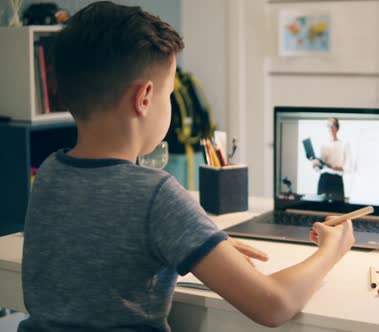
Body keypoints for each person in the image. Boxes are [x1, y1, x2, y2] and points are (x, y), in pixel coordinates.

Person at [19, 2, 355, 331]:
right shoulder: (155, 194)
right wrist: (332, 249)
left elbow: (100, 251)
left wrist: (190, 243)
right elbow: (274, 305)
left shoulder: (50, 172)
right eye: (168, 94)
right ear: (145, 98)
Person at [310, 118, 352, 201]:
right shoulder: (323, 145)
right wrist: (315, 164)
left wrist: (334, 167)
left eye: (332, 126)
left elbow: (349, 167)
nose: (330, 129)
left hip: (336, 180)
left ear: (337, 128)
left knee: (338, 209)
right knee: (320, 208)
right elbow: (318, 169)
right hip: (323, 179)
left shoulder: (344, 144)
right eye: (328, 126)